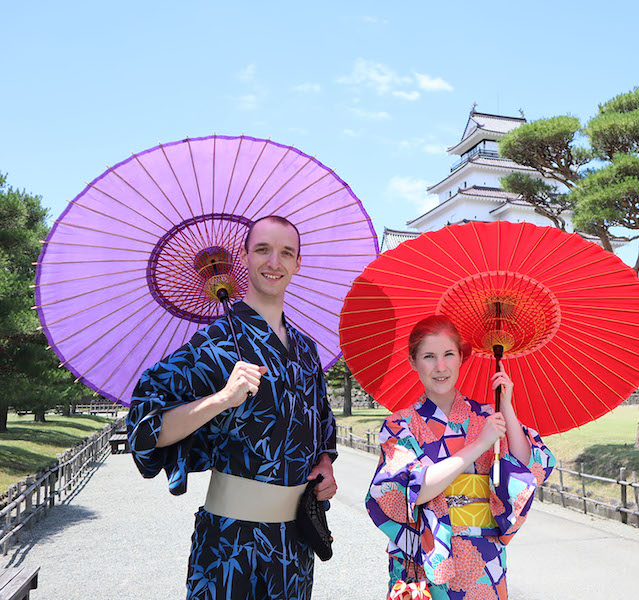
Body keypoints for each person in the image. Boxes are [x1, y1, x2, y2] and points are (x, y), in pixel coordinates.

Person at [127, 215, 337, 600]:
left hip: (294, 546)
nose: (274, 262)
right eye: (262, 250)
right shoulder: (215, 343)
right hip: (230, 543)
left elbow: (321, 424)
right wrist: (222, 398)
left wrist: (324, 464)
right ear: (243, 257)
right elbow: (147, 429)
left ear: (297, 263)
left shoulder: (307, 349)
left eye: (286, 253)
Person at [365, 315, 556, 600]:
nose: (440, 367)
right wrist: (480, 444)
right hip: (424, 556)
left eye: (448, 355)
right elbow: (412, 491)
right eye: (429, 356)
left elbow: (527, 468)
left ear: (461, 358)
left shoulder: (486, 417)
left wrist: (506, 406)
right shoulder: (400, 424)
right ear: (413, 362)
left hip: (483, 556)